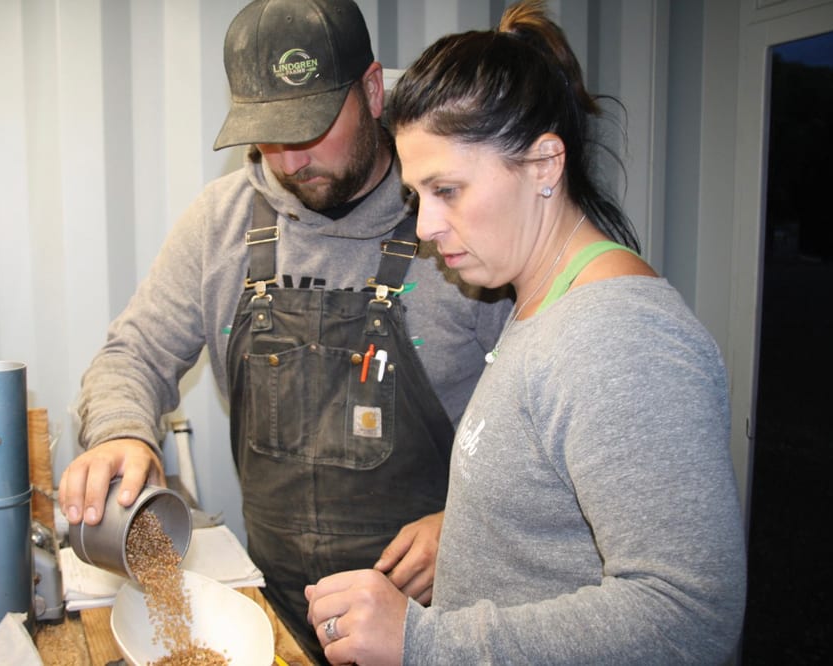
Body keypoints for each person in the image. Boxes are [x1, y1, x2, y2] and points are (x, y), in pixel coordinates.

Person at [57, 0, 509, 661]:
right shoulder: (222, 222)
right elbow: (131, 355)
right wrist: (120, 431)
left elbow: (546, 428)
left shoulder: (454, 221)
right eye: (271, 134)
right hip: (277, 619)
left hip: (430, 627)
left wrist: (472, 526)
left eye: (313, 125)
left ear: (373, 91)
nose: (292, 161)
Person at [304, 1, 748, 664]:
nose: (423, 227)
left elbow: (688, 615)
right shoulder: (539, 305)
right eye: (417, 195)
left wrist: (424, 641)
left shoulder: (619, 337)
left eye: (447, 190)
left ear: (544, 164)